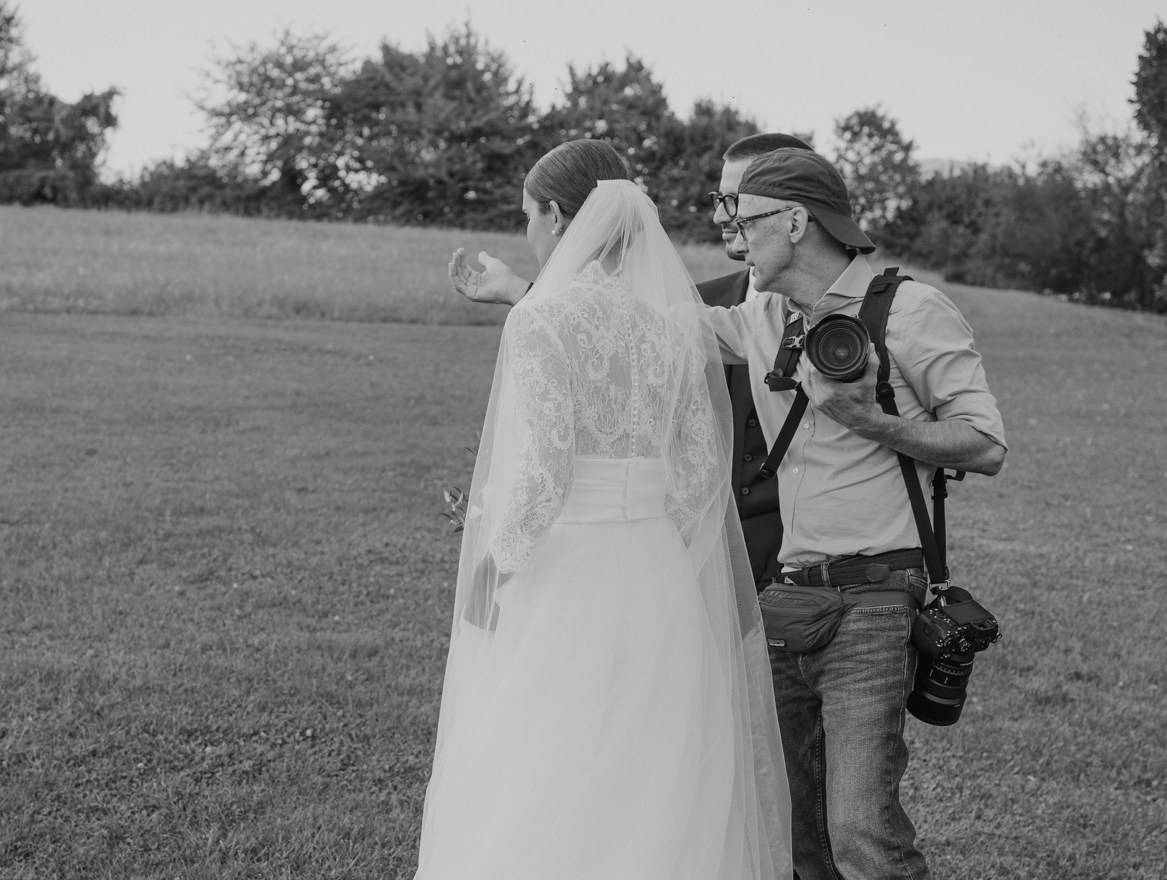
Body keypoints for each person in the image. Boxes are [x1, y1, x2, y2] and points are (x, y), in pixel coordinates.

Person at [416, 139, 792, 880]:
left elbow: (544, 474)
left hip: (569, 572)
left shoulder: (539, 322)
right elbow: (694, 478)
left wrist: (496, 564)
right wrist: (663, 557)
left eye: (529, 217)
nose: (527, 233)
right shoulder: (666, 326)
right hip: (653, 572)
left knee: (542, 756)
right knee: (651, 769)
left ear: (557, 218)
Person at [706, 147, 1008, 880]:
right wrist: (526, 289)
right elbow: (650, 330)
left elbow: (985, 443)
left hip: (875, 599)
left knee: (860, 832)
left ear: (795, 220)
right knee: (794, 830)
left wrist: (864, 418)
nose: (733, 234)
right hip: (788, 601)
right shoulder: (765, 317)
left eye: (744, 218)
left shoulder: (909, 310)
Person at [697, 132, 811, 586]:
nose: (720, 215)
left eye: (734, 200)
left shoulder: (855, 313)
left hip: (800, 558)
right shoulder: (704, 300)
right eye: (718, 197)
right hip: (709, 551)